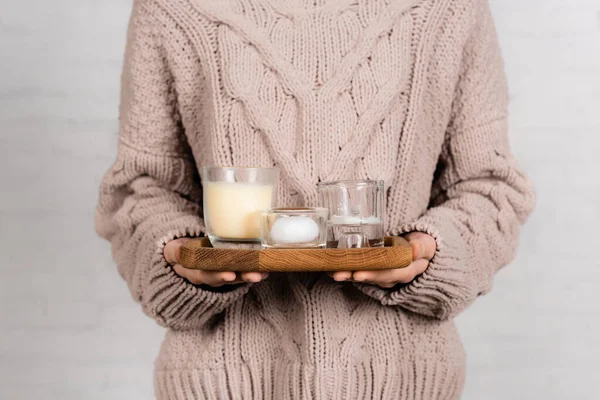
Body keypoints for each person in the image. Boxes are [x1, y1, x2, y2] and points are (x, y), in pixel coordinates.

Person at [96, 0, 535, 398]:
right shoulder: (174, 10)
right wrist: (177, 257)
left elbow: (489, 186)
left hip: (402, 377)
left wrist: (429, 251)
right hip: (223, 379)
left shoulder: (450, 9)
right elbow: (140, 189)